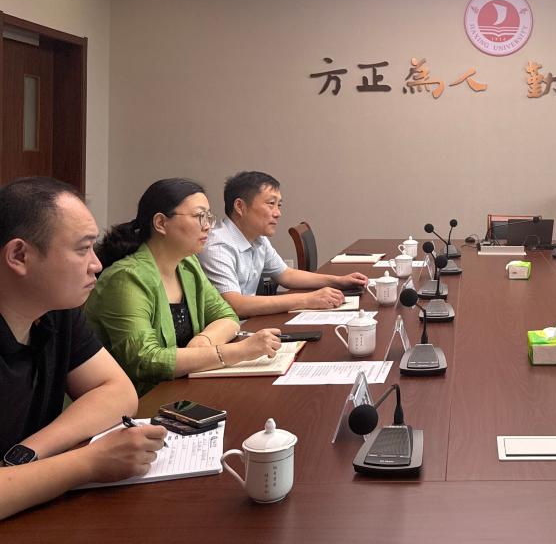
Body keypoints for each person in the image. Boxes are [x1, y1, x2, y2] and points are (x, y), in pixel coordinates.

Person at [0, 177, 166, 519]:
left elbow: (117, 391)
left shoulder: (55, 311)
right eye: (82, 249)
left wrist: (28, 452)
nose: (97, 264)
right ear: (19, 255)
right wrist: (87, 463)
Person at [85, 178, 281, 395]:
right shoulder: (125, 279)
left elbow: (227, 315)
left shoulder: (187, 265)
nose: (208, 225)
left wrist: (203, 341)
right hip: (138, 401)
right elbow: (146, 360)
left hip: (181, 389)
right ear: (161, 223)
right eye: (199, 216)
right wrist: (238, 351)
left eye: (208, 217)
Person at [198, 171, 368, 318]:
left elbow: (286, 275)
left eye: (279, 205)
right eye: (271, 204)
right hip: (228, 331)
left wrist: (338, 281)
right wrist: (307, 299)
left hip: (250, 322)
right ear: (240, 206)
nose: (278, 213)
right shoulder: (218, 246)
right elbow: (235, 306)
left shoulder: (258, 239)